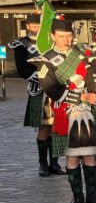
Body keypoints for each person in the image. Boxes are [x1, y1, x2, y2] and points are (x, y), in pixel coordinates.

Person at [31, 17, 96, 203]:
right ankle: (77, 199)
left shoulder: (84, 54)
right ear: (52, 36)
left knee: (90, 155)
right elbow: (51, 89)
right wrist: (82, 95)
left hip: (89, 111)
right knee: (72, 158)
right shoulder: (46, 60)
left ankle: (92, 199)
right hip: (65, 113)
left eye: (69, 36)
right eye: (61, 37)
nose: (66, 40)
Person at [8, 14, 63, 177]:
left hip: (56, 88)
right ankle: (43, 165)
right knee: (44, 126)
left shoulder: (49, 43)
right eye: (33, 25)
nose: (37, 28)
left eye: (39, 25)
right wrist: (43, 79)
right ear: (27, 26)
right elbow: (22, 69)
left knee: (56, 127)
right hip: (39, 89)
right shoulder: (22, 44)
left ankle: (54, 163)